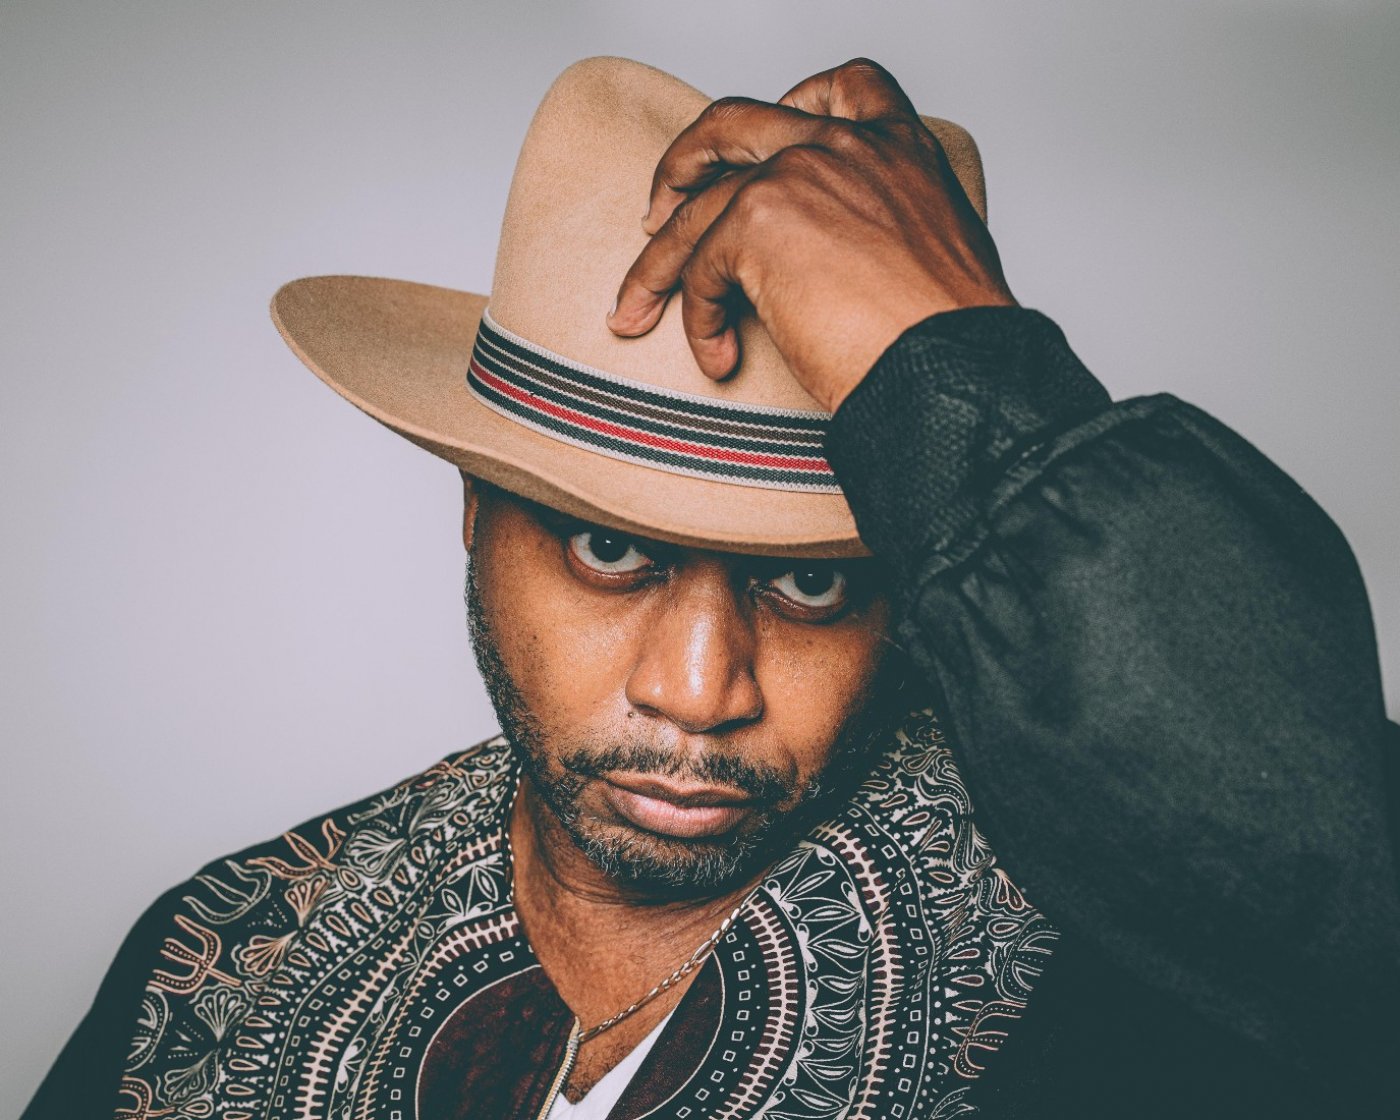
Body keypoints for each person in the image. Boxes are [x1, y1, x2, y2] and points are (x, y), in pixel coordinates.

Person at [22, 55, 1398, 1120]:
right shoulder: (227, 963)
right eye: (608, 550)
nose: (697, 689)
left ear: (917, 570)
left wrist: (965, 378)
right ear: (473, 511)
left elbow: (1338, 870)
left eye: (809, 580)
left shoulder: (1137, 956)